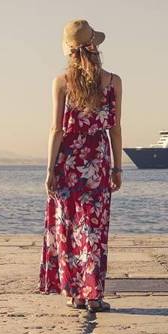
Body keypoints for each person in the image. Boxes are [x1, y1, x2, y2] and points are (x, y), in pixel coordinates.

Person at [38, 19, 123, 312]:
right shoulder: (113, 82)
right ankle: (94, 294)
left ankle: (74, 293)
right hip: (98, 161)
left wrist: (49, 170)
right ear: (95, 46)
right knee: (94, 228)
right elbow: (115, 127)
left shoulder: (61, 82)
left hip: (68, 161)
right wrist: (118, 168)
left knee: (69, 225)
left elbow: (56, 130)